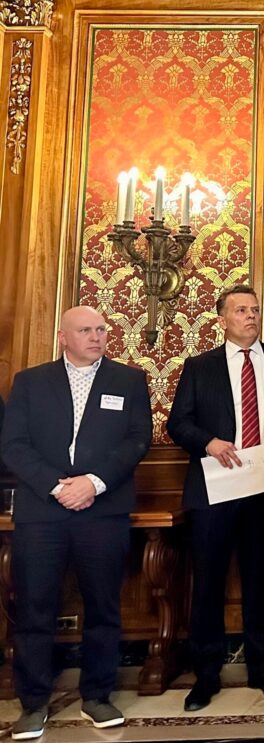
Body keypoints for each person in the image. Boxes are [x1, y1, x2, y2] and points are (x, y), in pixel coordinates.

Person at [0, 306, 151, 739]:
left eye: (102, 329)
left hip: (102, 511)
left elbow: (137, 439)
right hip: (42, 513)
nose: (97, 336)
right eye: (85, 330)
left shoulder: (128, 380)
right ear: (63, 337)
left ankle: (98, 696)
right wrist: (57, 485)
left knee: (103, 605)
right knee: (35, 606)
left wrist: (94, 483)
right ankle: (32, 703)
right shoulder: (30, 382)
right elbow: (13, 445)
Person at [167, 285, 264, 711]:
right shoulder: (200, 366)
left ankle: (263, 669)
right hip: (215, 489)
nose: (251, 316)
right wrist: (208, 442)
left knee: (258, 581)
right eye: (241, 310)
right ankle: (206, 675)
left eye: (255, 309)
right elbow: (178, 423)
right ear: (222, 319)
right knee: (208, 582)